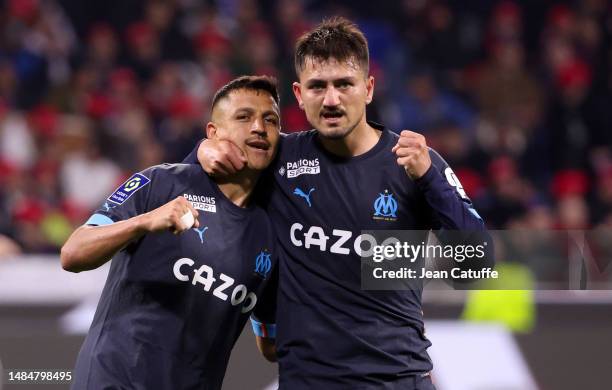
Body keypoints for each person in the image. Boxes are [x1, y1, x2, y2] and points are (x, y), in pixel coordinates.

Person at [189, 17, 491, 390]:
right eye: (318, 86)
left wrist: (430, 179)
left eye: (343, 84)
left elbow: (476, 272)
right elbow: (194, 174)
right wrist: (202, 150)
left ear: (368, 88)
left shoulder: (412, 162)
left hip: (397, 380)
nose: (331, 99)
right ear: (299, 94)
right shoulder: (277, 159)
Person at [61, 75, 281, 390]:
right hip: (114, 381)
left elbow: (271, 343)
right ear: (213, 133)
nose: (259, 127)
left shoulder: (270, 234)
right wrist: (143, 222)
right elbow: (73, 253)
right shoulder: (162, 183)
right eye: (244, 117)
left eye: (270, 120)